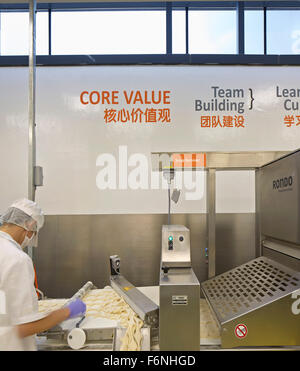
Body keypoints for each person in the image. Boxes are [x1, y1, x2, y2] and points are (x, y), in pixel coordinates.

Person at [0, 198, 86, 351]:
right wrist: (66, 312)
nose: (31, 237)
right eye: (34, 233)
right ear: (30, 225)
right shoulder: (16, 259)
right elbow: (22, 326)